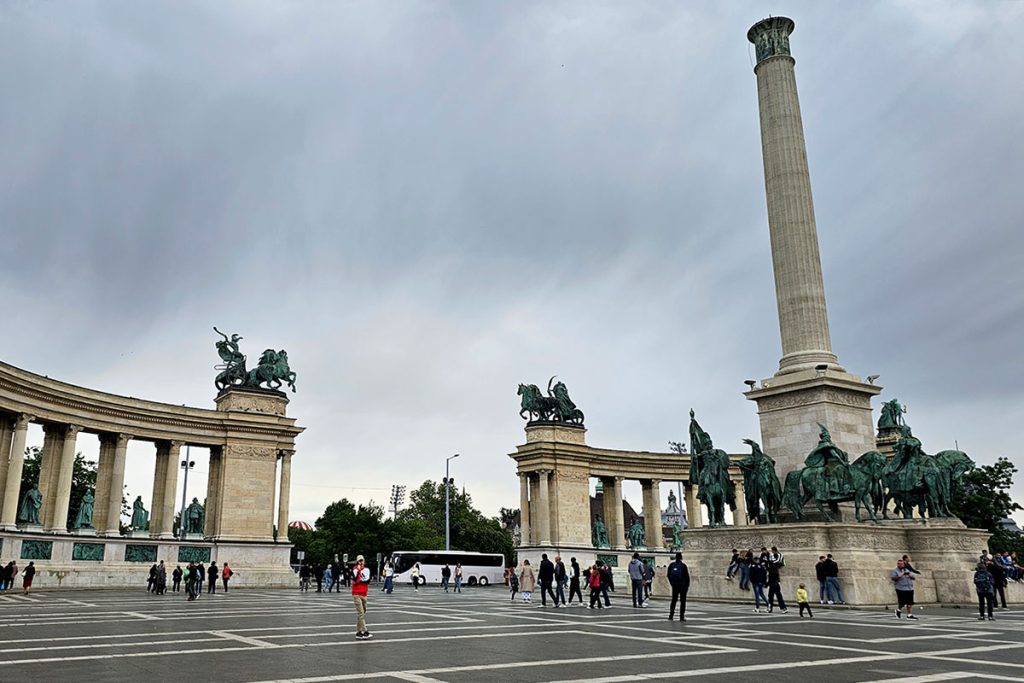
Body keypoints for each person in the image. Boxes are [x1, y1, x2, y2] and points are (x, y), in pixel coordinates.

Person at [351, 555, 372, 640]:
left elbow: (367, 581)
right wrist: (359, 571)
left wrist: (360, 580)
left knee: (362, 613)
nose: (361, 562)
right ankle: (365, 631)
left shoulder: (367, 570)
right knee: (361, 613)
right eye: (359, 561)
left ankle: (358, 632)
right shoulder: (355, 570)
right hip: (356, 593)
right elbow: (355, 580)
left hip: (364, 593)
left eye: (362, 560)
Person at [666, 552, 690, 621]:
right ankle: (681, 616)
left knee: (674, 600)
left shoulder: (671, 565)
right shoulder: (683, 566)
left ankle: (671, 615)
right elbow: (687, 576)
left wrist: (672, 583)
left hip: (675, 585)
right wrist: (687, 585)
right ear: (681, 558)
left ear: (675, 557)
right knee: (683, 601)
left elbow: (668, 575)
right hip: (682, 585)